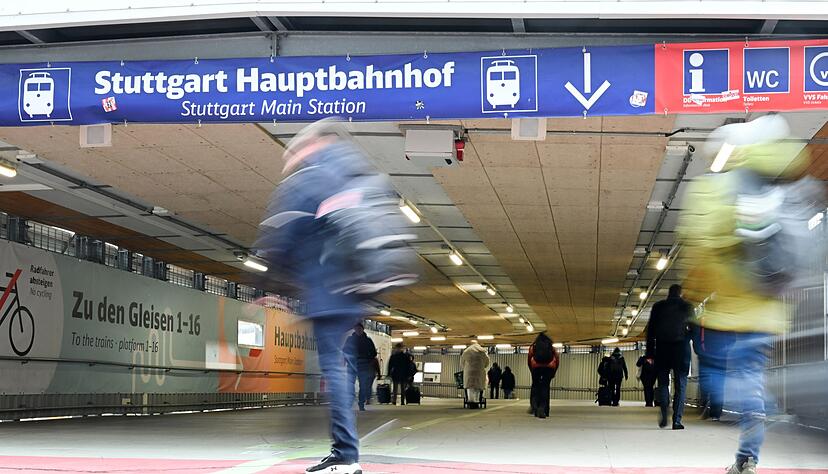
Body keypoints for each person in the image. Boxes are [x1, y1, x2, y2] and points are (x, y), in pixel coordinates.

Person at [678, 115, 814, 474]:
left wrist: (694, 292)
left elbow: (700, 247)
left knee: (716, 381)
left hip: (724, 312)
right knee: (750, 376)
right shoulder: (784, 188)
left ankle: (762, 409)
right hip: (768, 312)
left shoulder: (714, 189)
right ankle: (747, 455)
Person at [254, 120, 382, 474]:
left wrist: (269, 286)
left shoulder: (312, 178)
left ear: (316, 144)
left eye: (298, 149)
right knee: (342, 365)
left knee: (334, 371)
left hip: (326, 290)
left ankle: (345, 454)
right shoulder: (356, 176)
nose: (294, 156)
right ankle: (344, 450)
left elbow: (284, 234)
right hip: (352, 292)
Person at [646, 284, 693, 429]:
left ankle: (664, 411)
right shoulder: (687, 306)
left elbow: (651, 331)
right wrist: (687, 339)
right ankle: (677, 421)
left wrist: (649, 353)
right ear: (680, 293)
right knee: (680, 386)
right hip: (681, 351)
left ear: (668, 293)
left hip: (662, 349)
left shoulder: (658, 307)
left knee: (663, 384)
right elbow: (694, 328)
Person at [344, 323, 378, 412]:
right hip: (354, 364)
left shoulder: (367, 340)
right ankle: (351, 402)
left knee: (363, 386)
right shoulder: (350, 340)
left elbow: (374, 353)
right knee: (350, 385)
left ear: (362, 329)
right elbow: (345, 351)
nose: (358, 330)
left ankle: (361, 403)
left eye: (359, 329)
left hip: (363, 364)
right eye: (356, 329)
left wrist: (368, 359)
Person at [528, 332, 560, 418]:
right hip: (549, 368)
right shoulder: (551, 347)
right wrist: (554, 372)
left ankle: (535, 407)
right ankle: (544, 409)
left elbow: (529, 359)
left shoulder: (534, 346)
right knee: (545, 388)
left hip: (536, 368)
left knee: (535, 387)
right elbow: (557, 358)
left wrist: (532, 371)